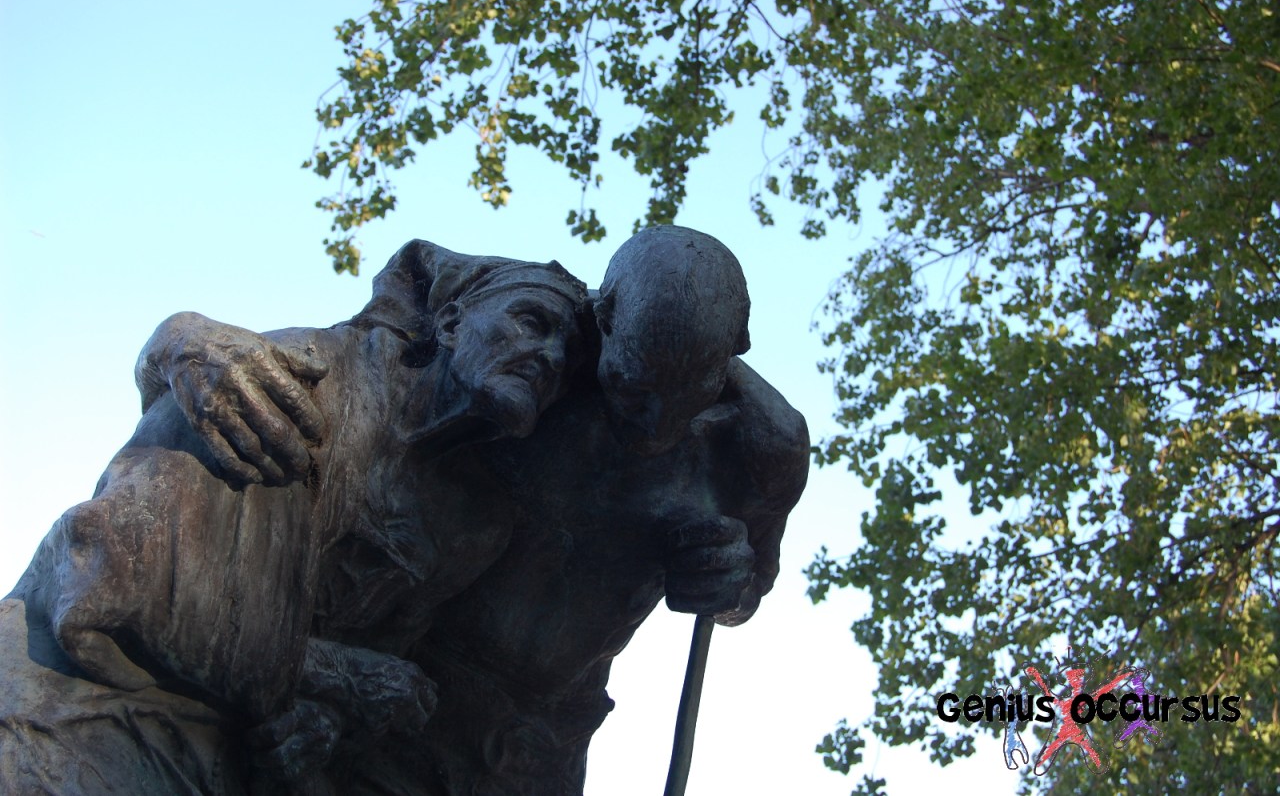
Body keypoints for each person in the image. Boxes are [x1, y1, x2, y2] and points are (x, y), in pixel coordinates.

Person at [145, 227, 809, 794]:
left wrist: (726, 582)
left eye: (689, 393)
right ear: (603, 316)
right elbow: (372, 345)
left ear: (738, 348)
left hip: (534, 751)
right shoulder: (543, 342)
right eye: (633, 390)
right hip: (393, 704)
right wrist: (183, 339)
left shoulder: (761, 447)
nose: (656, 426)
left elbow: (744, 596)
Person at [0, 243, 589, 794]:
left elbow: (372, 685)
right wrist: (338, 677)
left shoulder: (475, 526)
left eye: (568, 356)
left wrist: (320, 723)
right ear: (454, 322)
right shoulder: (307, 377)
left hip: (220, 758)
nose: (550, 358)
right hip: (70, 701)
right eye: (532, 323)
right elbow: (118, 571)